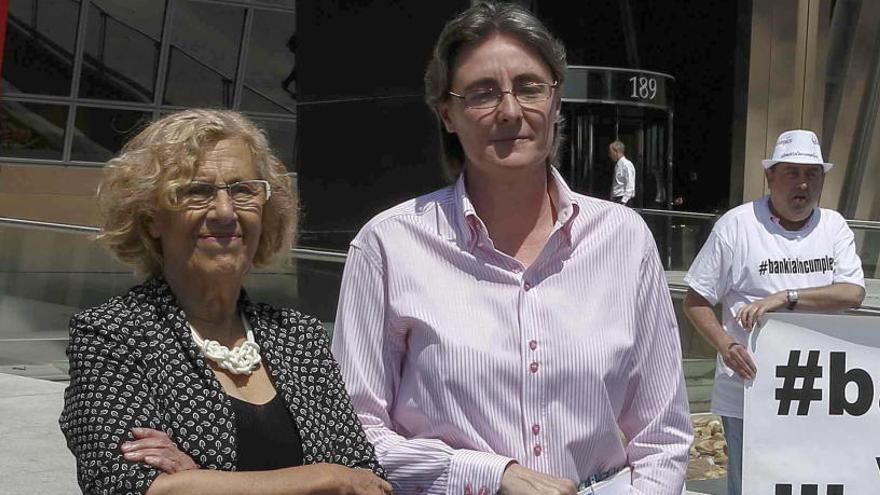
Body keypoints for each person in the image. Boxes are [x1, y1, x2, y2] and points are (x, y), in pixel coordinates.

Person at [330, 3, 693, 494]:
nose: (510, 110)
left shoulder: (624, 240)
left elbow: (662, 436)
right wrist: (490, 475)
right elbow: (354, 436)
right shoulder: (389, 246)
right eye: (482, 93)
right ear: (447, 113)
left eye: (529, 87)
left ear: (557, 101)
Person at [58, 109, 391, 495]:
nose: (225, 212)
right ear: (150, 218)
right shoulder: (112, 335)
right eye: (196, 191)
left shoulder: (299, 336)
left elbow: (368, 481)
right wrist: (325, 477)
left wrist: (197, 479)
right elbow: (124, 488)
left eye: (243, 190)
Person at [682, 129, 865, 495]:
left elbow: (852, 293)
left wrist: (787, 296)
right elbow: (695, 300)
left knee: (813, 480)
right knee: (751, 484)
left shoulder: (834, 226)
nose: (802, 184)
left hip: (820, 392)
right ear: (770, 177)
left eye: (812, 174)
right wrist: (726, 347)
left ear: (823, 179)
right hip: (749, 390)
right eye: (792, 173)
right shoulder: (736, 225)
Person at [608, 140, 635, 206]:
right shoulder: (617, 165)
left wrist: (624, 201)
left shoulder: (627, 165)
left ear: (616, 152)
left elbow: (630, 185)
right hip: (616, 198)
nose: (610, 155)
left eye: (611, 153)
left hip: (622, 199)